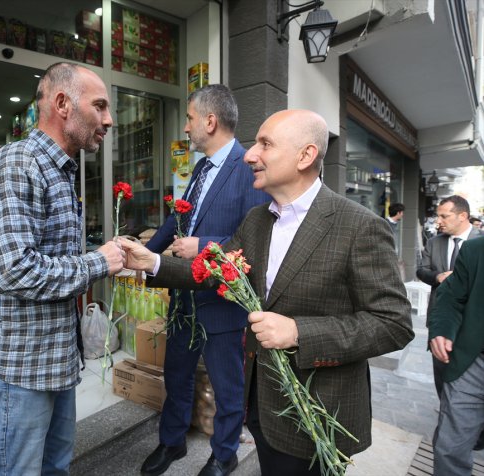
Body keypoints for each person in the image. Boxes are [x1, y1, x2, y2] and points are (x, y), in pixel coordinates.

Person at [121, 109, 414, 476]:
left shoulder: (359, 227)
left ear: (305, 156)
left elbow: (394, 323)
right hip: (262, 405)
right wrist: (151, 263)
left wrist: (299, 332)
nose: (249, 155)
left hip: (317, 413)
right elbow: (216, 271)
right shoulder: (258, 220)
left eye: (265, 144)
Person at [0, 62, 125, 475]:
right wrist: (99, 261)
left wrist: (107, 256)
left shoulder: (59, 171)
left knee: (55, 468)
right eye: (100, 106)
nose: (109, 119)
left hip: (53, 362)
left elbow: (47, 258)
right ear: (62, 104)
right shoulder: (17, 165)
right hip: (16, 370)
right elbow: (14, 269)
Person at [140, 85, 271, 476]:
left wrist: (203, 245)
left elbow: (255, 240)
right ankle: (172, 442)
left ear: (210, 122)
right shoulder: (200, 168)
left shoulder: (249, 168)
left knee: (228, 386)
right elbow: (177, 220)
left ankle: (225, 454)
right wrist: (144, 248)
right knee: (176, 376)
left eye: (190, 118)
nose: (186, 127)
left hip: (221, 302)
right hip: (184, 298)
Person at [429, 236, 484, 475]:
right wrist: (441, 329)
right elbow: (451, 297)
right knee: (450, 447)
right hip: (473, 362)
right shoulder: (475, 249)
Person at [416, 195, 481, 397]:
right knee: (442, 373)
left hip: (472, 327)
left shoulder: (479, 244)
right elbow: (421, 270)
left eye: (444, 216)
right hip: (440, 320)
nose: (439, 221)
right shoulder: (434, 242)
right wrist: (438, 277)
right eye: (438, 216)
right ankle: (446, 407)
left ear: (463, 216)